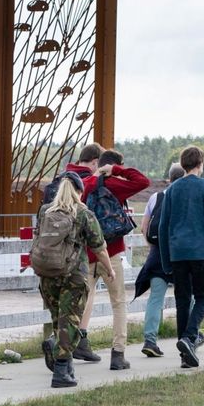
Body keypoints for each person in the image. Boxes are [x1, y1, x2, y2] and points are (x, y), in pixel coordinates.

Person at [34, 172, 113, 387]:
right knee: (70, 322)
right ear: (80, 192)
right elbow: (99, 246)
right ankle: (60, 372)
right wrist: (109, 270)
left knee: (58, 318)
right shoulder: (83, 213)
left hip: (47, 274)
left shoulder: (45, 211)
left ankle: (65, 362)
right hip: (73, 275)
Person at [158, 145, 204, 369]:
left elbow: (163, 226)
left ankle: (185, 357)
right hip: (199, 252)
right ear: (200, 163)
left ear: (183, 164)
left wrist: (165, 260)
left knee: (182, 301)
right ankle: (188, 338)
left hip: (178, 253)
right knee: (203, 298)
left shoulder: (173, 189)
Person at [79, 148, 150, 370]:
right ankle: (118, 354)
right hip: (112, 253)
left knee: (81, 300)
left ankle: (71, 342)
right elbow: (143, 181)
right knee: (118, 303)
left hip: (87, 253)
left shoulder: (86, 184)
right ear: (111, 167)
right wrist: (117, 171)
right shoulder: (114, 184)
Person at [135, 163, 184, 358]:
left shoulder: (156, 197)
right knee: (186, 297)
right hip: (179, 255)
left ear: (169, 178)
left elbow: (144, 227)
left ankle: (150, 340)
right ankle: (189, 336)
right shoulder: (184, 198)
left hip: (157, 256)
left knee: (155, 299)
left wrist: (154, 247)